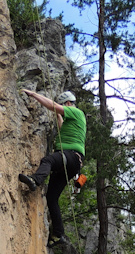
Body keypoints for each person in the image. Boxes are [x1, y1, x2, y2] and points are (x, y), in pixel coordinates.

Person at [18, 89, 86, 245]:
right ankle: (58, 235)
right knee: (52, 197)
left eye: (64, 106)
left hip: (71, 156)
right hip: (72, 163)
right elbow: (62, 126)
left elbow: (53, 106)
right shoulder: (73, 122)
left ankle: (35, 180)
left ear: (68, 104)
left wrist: (33, 94)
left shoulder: (76, 112)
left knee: (48, 160)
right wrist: (58, 116)